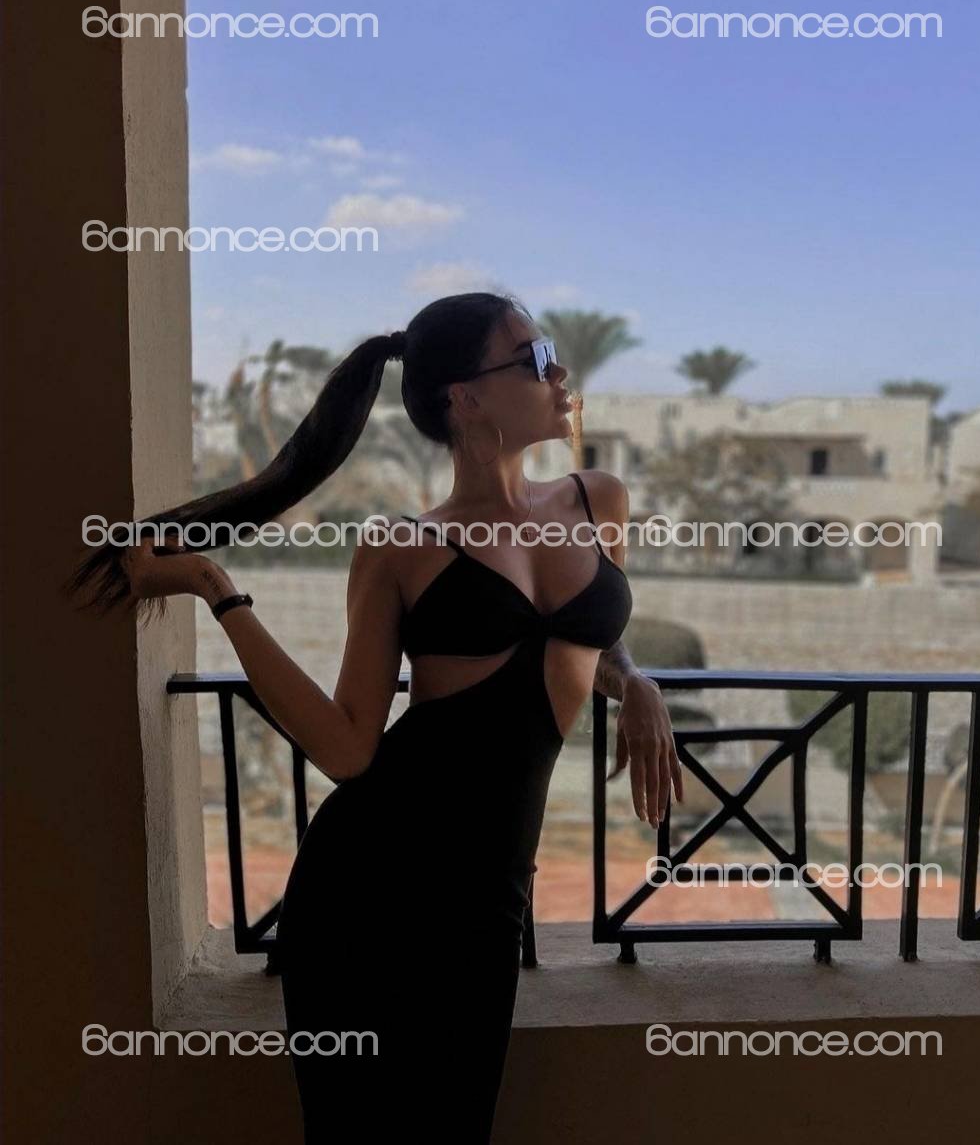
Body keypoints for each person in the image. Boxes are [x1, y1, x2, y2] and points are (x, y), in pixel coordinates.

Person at [64, 292, 681, 1142]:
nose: (560, 372)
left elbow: (586, 641)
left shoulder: (598, 500)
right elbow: (348, 746)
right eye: (536, 358)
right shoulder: (400, 548)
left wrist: (636, 680)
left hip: (490, 898)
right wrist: (215, 587)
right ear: (466, 396)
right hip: (367, 890)